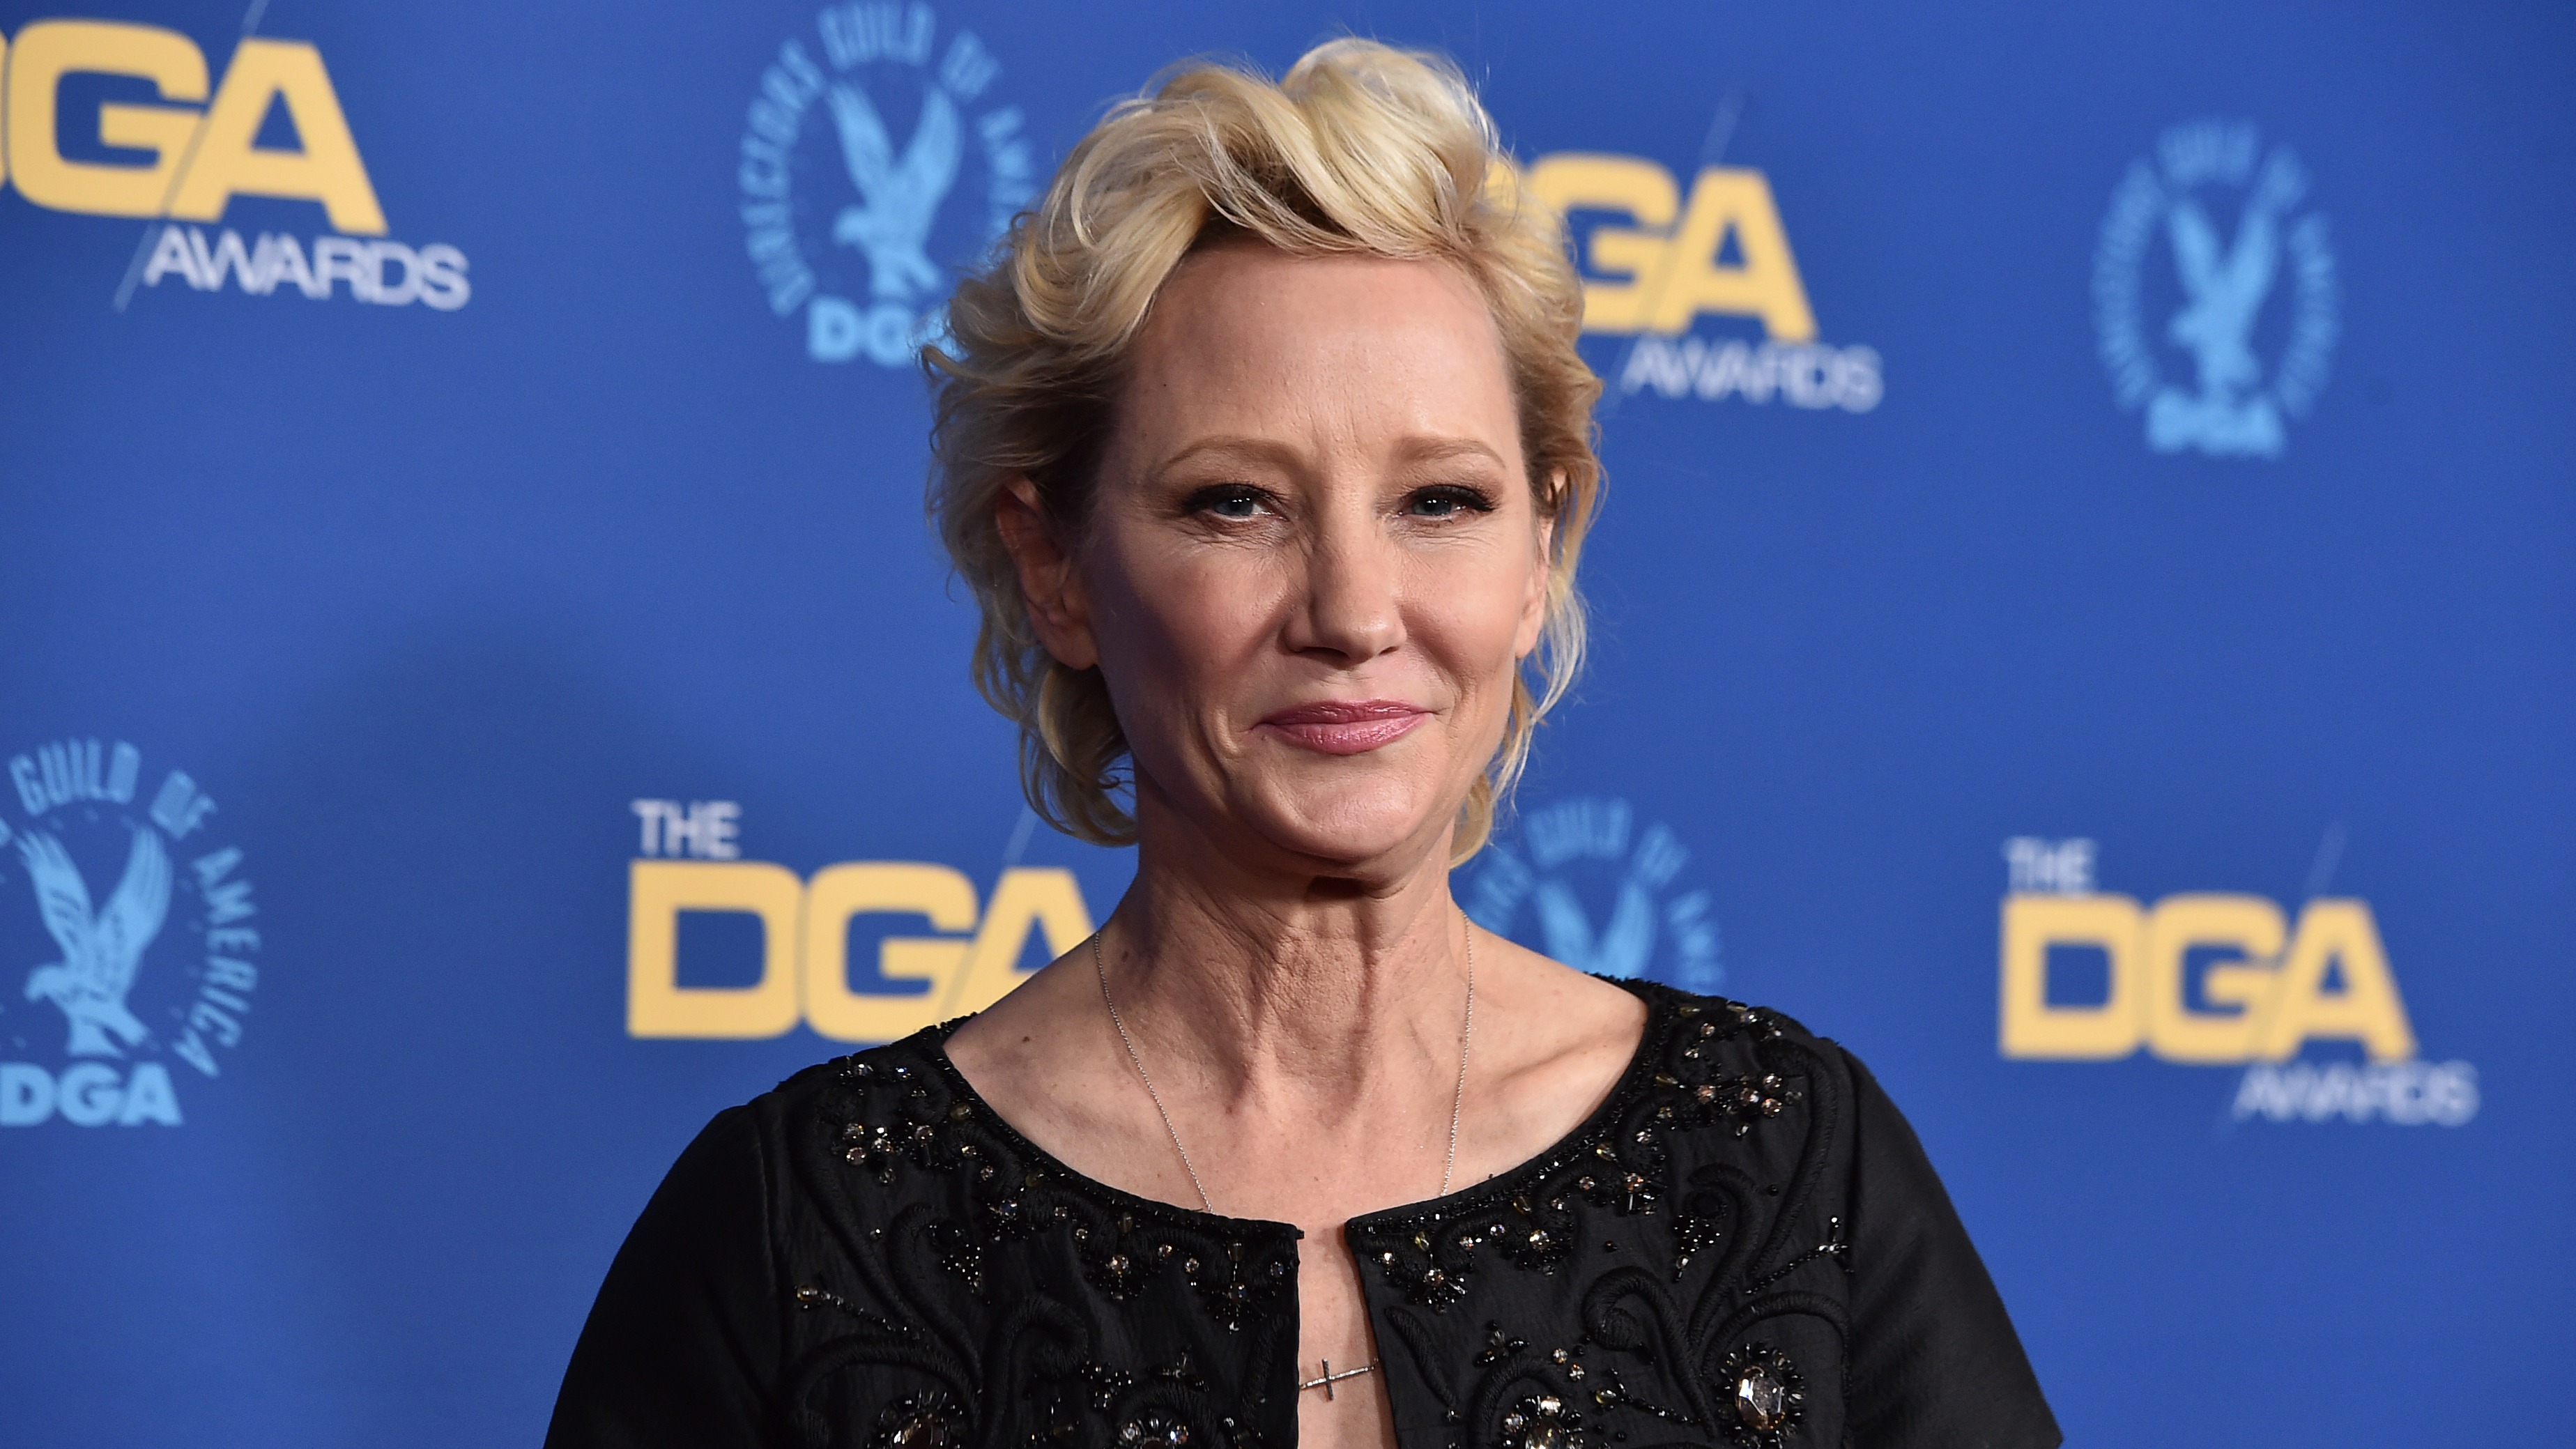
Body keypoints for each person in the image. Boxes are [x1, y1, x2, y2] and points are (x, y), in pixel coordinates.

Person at [547, 38, 2057, 1449]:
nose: (1354, 611)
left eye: (1441, 502)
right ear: (1055, 567)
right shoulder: (804, 1229)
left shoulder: (1786, 1164)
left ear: (1540, 554)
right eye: (1236, 502)